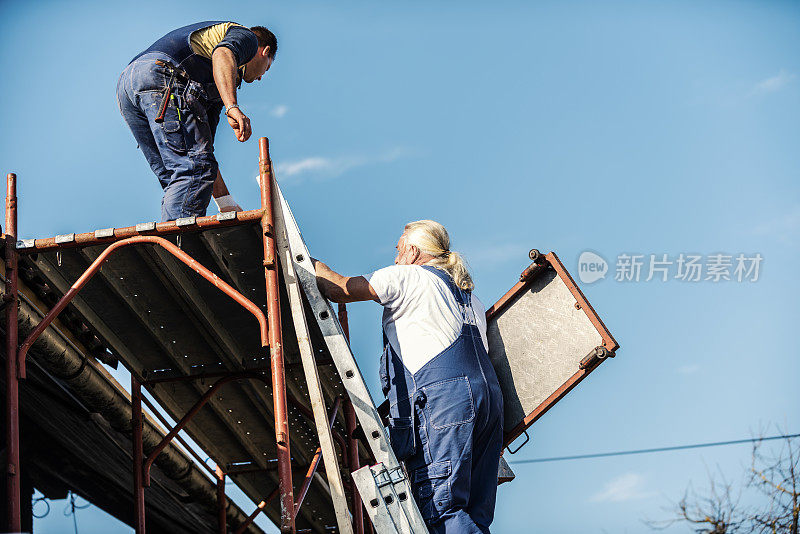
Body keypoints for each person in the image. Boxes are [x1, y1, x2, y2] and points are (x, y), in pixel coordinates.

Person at [314, 220, 504, 533]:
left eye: (399, 248)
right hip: (487, 403)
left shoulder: (405, 275)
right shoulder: (470, 298)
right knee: (474, 513)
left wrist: (310, 264)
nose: (396, 254)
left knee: (441, 510)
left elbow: (340, 288)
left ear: (413, 251)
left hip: (444, 403)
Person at [117, 22, 277, 221]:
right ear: (265, 51)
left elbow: (202, 152)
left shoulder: (219, 82)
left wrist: (226, 204)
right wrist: (232, 106)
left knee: (178, 176)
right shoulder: (247, 38)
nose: (261, 77)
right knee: (192, 170)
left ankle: (171, 239)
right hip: (163, 75)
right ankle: (178, 247)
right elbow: (223, 53)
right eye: (267, 68)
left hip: (130, 85)